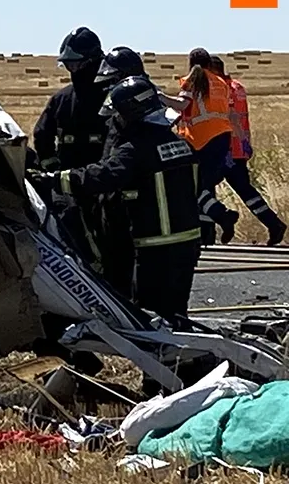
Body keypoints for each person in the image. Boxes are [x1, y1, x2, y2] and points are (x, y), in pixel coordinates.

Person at [31, 75, 201, 326]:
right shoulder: (181, 145)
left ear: (132, 113)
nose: (116, 121)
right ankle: (192, 362)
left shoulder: (135, 149)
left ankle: (168, 363)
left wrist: (54, 180)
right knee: (176, 312)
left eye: (119, 115)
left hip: (156, 247)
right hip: (187, 242)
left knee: (153, 318)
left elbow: (102, 176)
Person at [32, 27, 108, 268]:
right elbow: (41, 134)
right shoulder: (61, 99)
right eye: (68, 65)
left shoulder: (112, 96)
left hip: (105, 180)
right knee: (73, 231)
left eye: (76, 64)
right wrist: (52, 168)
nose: (72, 70)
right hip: (69, 183)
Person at [159, 48, 239, 245]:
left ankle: (222, 216)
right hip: (222, 137)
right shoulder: (220, 82)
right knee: (205, 186)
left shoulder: (193, 79)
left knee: (193, 186)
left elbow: (183, 105)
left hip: (200, 139)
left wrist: (160, 97)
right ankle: (208, 232)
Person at [208, 56, 287, 245]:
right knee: (246, 191)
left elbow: (232, 117)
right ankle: (273, 223)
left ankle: (210, 231)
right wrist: (245, 142)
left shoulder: (221, 88)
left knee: (203, 189)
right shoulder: (239, 87)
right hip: (239, 150)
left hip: (224, 149)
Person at [91, 46, 149, 299]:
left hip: (138, 209)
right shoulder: (118, 107)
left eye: (112, 80)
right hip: (113, 203)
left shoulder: (144, 105)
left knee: (137, 278)